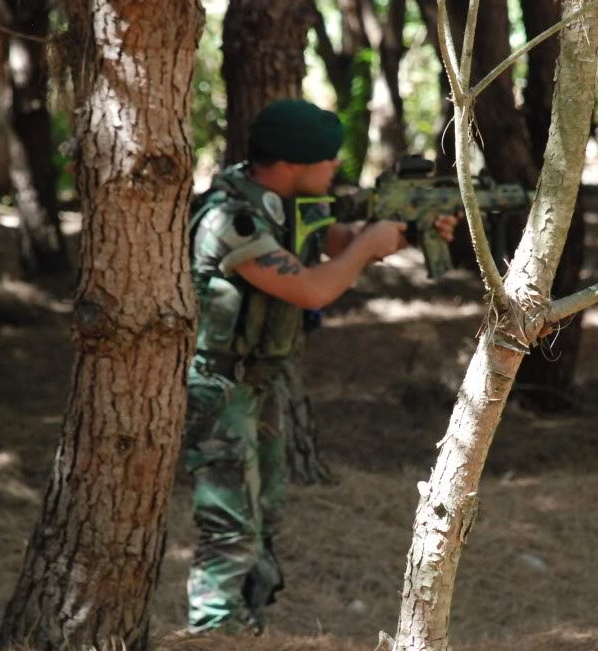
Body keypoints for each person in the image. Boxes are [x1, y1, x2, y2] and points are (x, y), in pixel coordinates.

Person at [183, 98, 457, 634]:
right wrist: (365, 250)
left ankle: (245, 630)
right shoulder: (230, 218)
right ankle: (213, 636)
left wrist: (404, 231)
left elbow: (332, 241)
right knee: (229, 530)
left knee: (264, 522)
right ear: (291, 163)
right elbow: (312, 288)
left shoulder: (277, 203)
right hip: (221, 391)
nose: (335, 169)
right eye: (327, 160)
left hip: (256, 386)